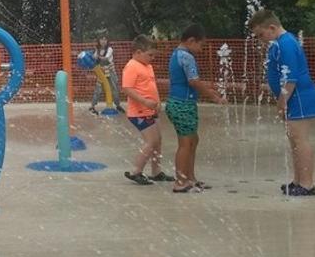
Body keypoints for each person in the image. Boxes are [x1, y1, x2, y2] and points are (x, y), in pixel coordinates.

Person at [250, 9, 315, 196]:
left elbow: (291, 78)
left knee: (300, 140)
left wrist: (282, 102)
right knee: (294, 141)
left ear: (272, 28)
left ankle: (307, 184)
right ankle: (297, 181)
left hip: (299, 98)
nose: (260, 39)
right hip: (294, 98)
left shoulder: (286, 43)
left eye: (261, 34)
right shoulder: (279, 43)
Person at [166, 24, 227, 193]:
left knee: (193, 140)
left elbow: (191, 81)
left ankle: (190, 178)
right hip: (182, 104)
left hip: (181, 103)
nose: (201, 49)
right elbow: (193, 81)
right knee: (185, 144)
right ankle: (180, 182)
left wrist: (208, 90)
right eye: (201, 45)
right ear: (191, 40)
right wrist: (213, 96)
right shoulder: (187, 57)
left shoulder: (177, 54)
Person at [122, 35, 175, 185]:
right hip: (139, 112)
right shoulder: (132, 66)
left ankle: (156, 172)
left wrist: (156, 104)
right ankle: (136, 171)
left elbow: (150, 87)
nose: (152, 58)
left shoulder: (147, 66)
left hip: (150, 111)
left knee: (158, 141)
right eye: (149, 55)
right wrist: (145, 101)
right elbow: (127, 88)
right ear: (138, 52)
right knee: (151, 141)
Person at [90, 35, 124, 115]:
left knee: (114, 89)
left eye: (105, 39)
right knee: (98, 89)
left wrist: (96, 57)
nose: (103, 41)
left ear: (107, 41)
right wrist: (93, 56)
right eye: (102, 39)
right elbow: (94, 57)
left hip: (110, 72)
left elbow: (106, 58)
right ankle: (93, 106)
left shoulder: (109, 49)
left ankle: (118, 105)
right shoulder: (97, 50)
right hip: (101, 73)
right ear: (99, 41)